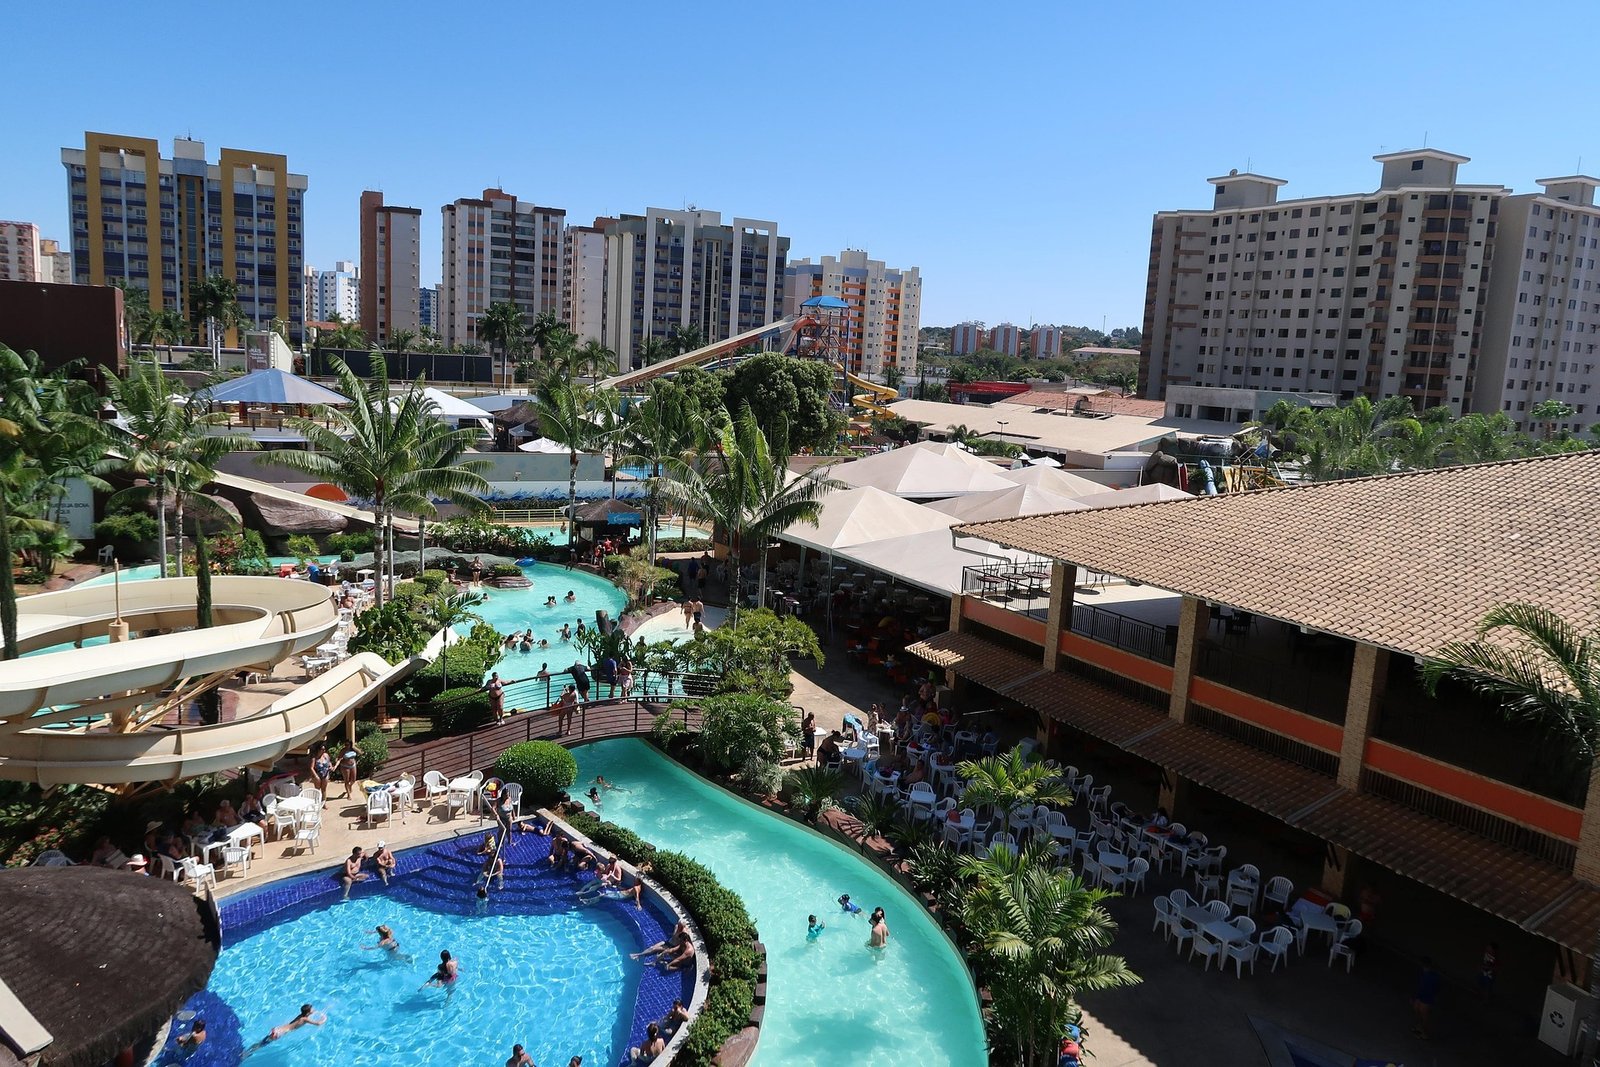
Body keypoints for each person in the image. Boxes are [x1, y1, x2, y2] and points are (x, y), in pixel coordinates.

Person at [243, 1004, 324, 1056]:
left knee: (261, 1042)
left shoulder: (300, 1016)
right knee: (262, 1045)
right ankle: (246, 1054)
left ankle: (246, 1051)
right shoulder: (305, 1019)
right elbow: (318, 1023)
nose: (313, 1009)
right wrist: (324, 1018)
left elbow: (293, 1023)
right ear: (308, 1013)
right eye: (312, 1009)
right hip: (279, 1033)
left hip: (278, 1029)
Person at [1412, 956, 1441, 1038]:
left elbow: (1436, 988)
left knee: (1424, 1015)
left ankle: (1425, 1033)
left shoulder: (1434, 976)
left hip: (1427, 997)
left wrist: (1433, 997)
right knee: (1417, 1010)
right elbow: (1420, 984)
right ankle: (1419, 1026)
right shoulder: (1423, 973)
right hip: (1421, 995)